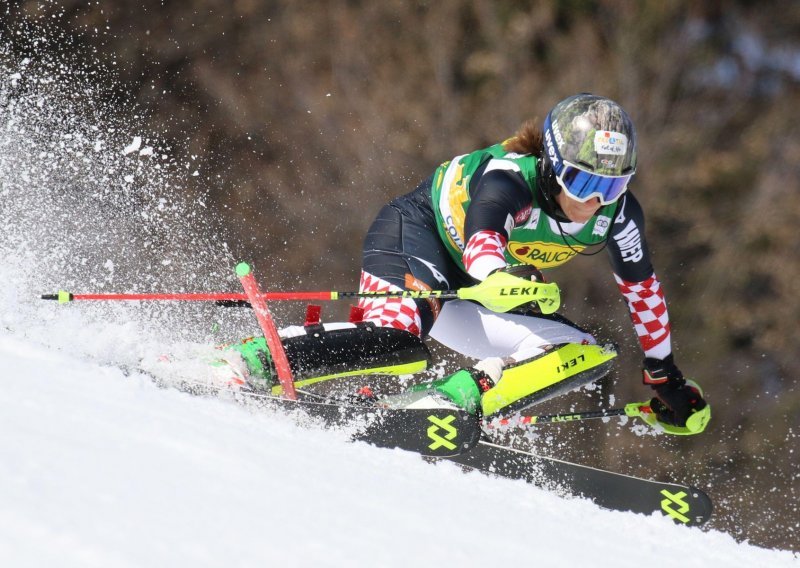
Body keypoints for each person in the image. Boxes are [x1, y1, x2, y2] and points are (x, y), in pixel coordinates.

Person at [225, 93, 709, 433]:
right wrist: (498, 276)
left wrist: (664, 372)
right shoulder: (510, 178)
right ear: (553, 165)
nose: (596, 202)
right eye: (584, 184)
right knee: (399, 345)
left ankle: (449, 403)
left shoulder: (618, 216)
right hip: (417, 237)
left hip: (480, 286)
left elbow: (643, 291)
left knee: (585, 354)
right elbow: (482, 237)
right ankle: (257, 359)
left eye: (614, 186)